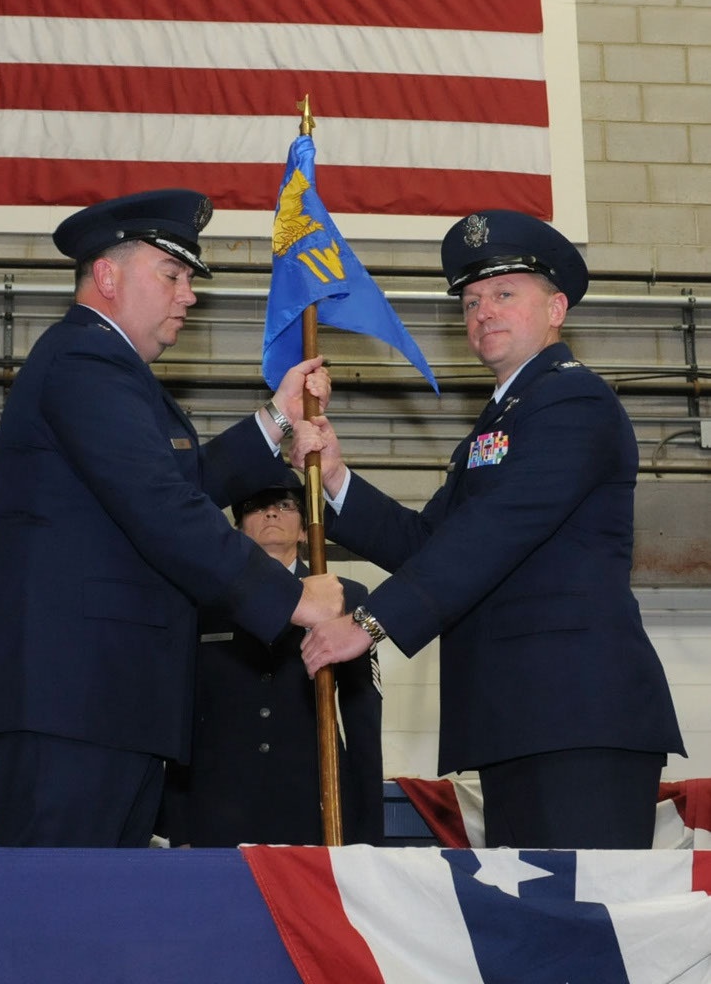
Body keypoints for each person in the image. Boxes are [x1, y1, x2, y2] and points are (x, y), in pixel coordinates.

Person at [0, 188, 344, 848]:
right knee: (59, 919)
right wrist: (292, 597)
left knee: (98, 921)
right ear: (107, 275)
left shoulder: (109, 369)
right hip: (72, 698)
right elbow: (161, 506)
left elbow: (173, 482)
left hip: (104, 698)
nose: (188, 296)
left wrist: (277, 419)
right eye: (172, 275)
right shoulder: (84, 359)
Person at [291, 209, 685, 850]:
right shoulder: (502, 420)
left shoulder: (574, 403)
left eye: (505, 293)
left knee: (580, 926)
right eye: (471, 300)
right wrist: (335, 479)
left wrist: (367, 625)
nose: (483, 311)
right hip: (518, 721)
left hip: (576, 719)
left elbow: (496, 533)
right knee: (536, 933)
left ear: (556, 308)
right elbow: (429, 545)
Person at [165, 479, 384, 847]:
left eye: (286, 505)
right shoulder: (201, 603)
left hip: (314, 800)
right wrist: (178, 823)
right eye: (253, 506)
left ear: (304, 530)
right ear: (236, 530)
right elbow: (181, 713)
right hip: (218, 803)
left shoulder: (345, 597)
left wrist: (367, 829)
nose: (270, 512)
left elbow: (362, 713)